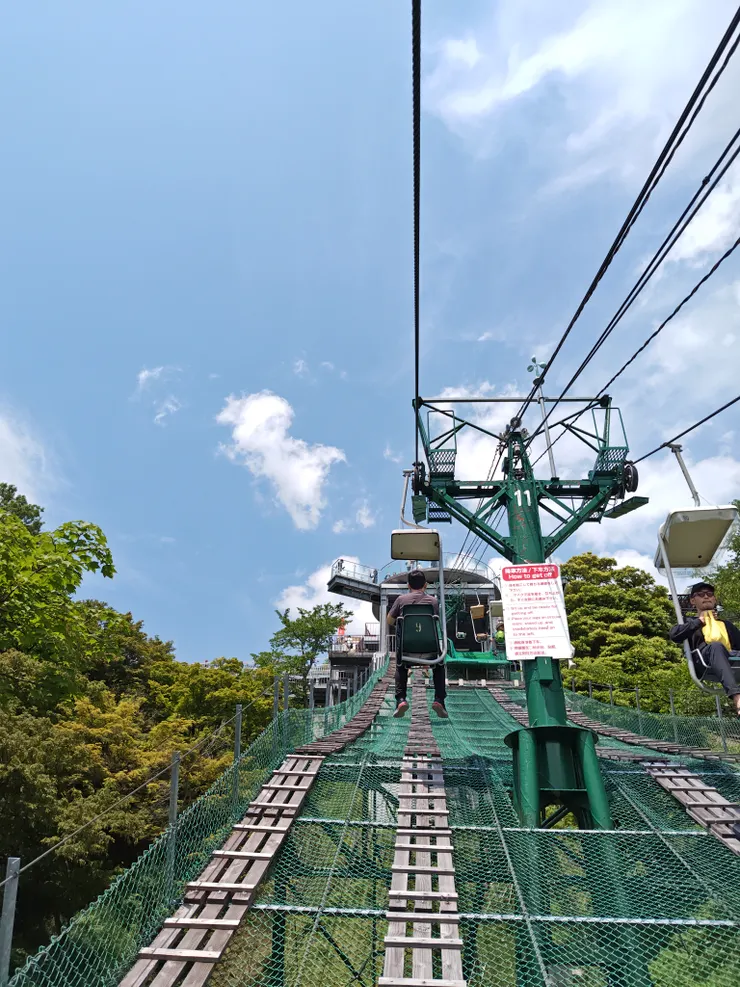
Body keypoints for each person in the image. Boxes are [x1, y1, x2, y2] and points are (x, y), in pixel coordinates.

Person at [669, 581, 740, 715]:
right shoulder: (688, 622)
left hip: (730, 657)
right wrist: (700, 621)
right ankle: (737, 698)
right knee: (716, 646)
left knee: (720, 647)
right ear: (693, 601)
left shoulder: (726, 625)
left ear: (714, 599)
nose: (706, 597)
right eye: (701, 594)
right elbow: (674, 635)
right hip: (704, 661)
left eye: (709, 594)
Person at [387, 569, 448, 718]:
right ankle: (439, 699)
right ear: (425, 585)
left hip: (406, 649)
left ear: (408, 585)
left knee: (400, 665)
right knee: (439, 665)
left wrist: (402, 626)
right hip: (430, 650)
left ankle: (401, 699)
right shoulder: (433, 601)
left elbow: (389, 620)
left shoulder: (401, 600)